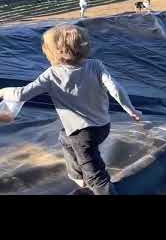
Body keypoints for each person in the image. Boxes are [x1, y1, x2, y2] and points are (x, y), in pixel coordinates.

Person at [0, 24, 142, 195]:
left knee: (96, 176)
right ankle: (76, 174)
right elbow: (115, 89)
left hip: (81, 137)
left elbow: (21, 94)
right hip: (102, 126)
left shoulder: (51, 75)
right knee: (64, 138)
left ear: (54, 52)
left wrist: (3, 91)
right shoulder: (96, 65)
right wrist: (130, 109)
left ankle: (98, 187)